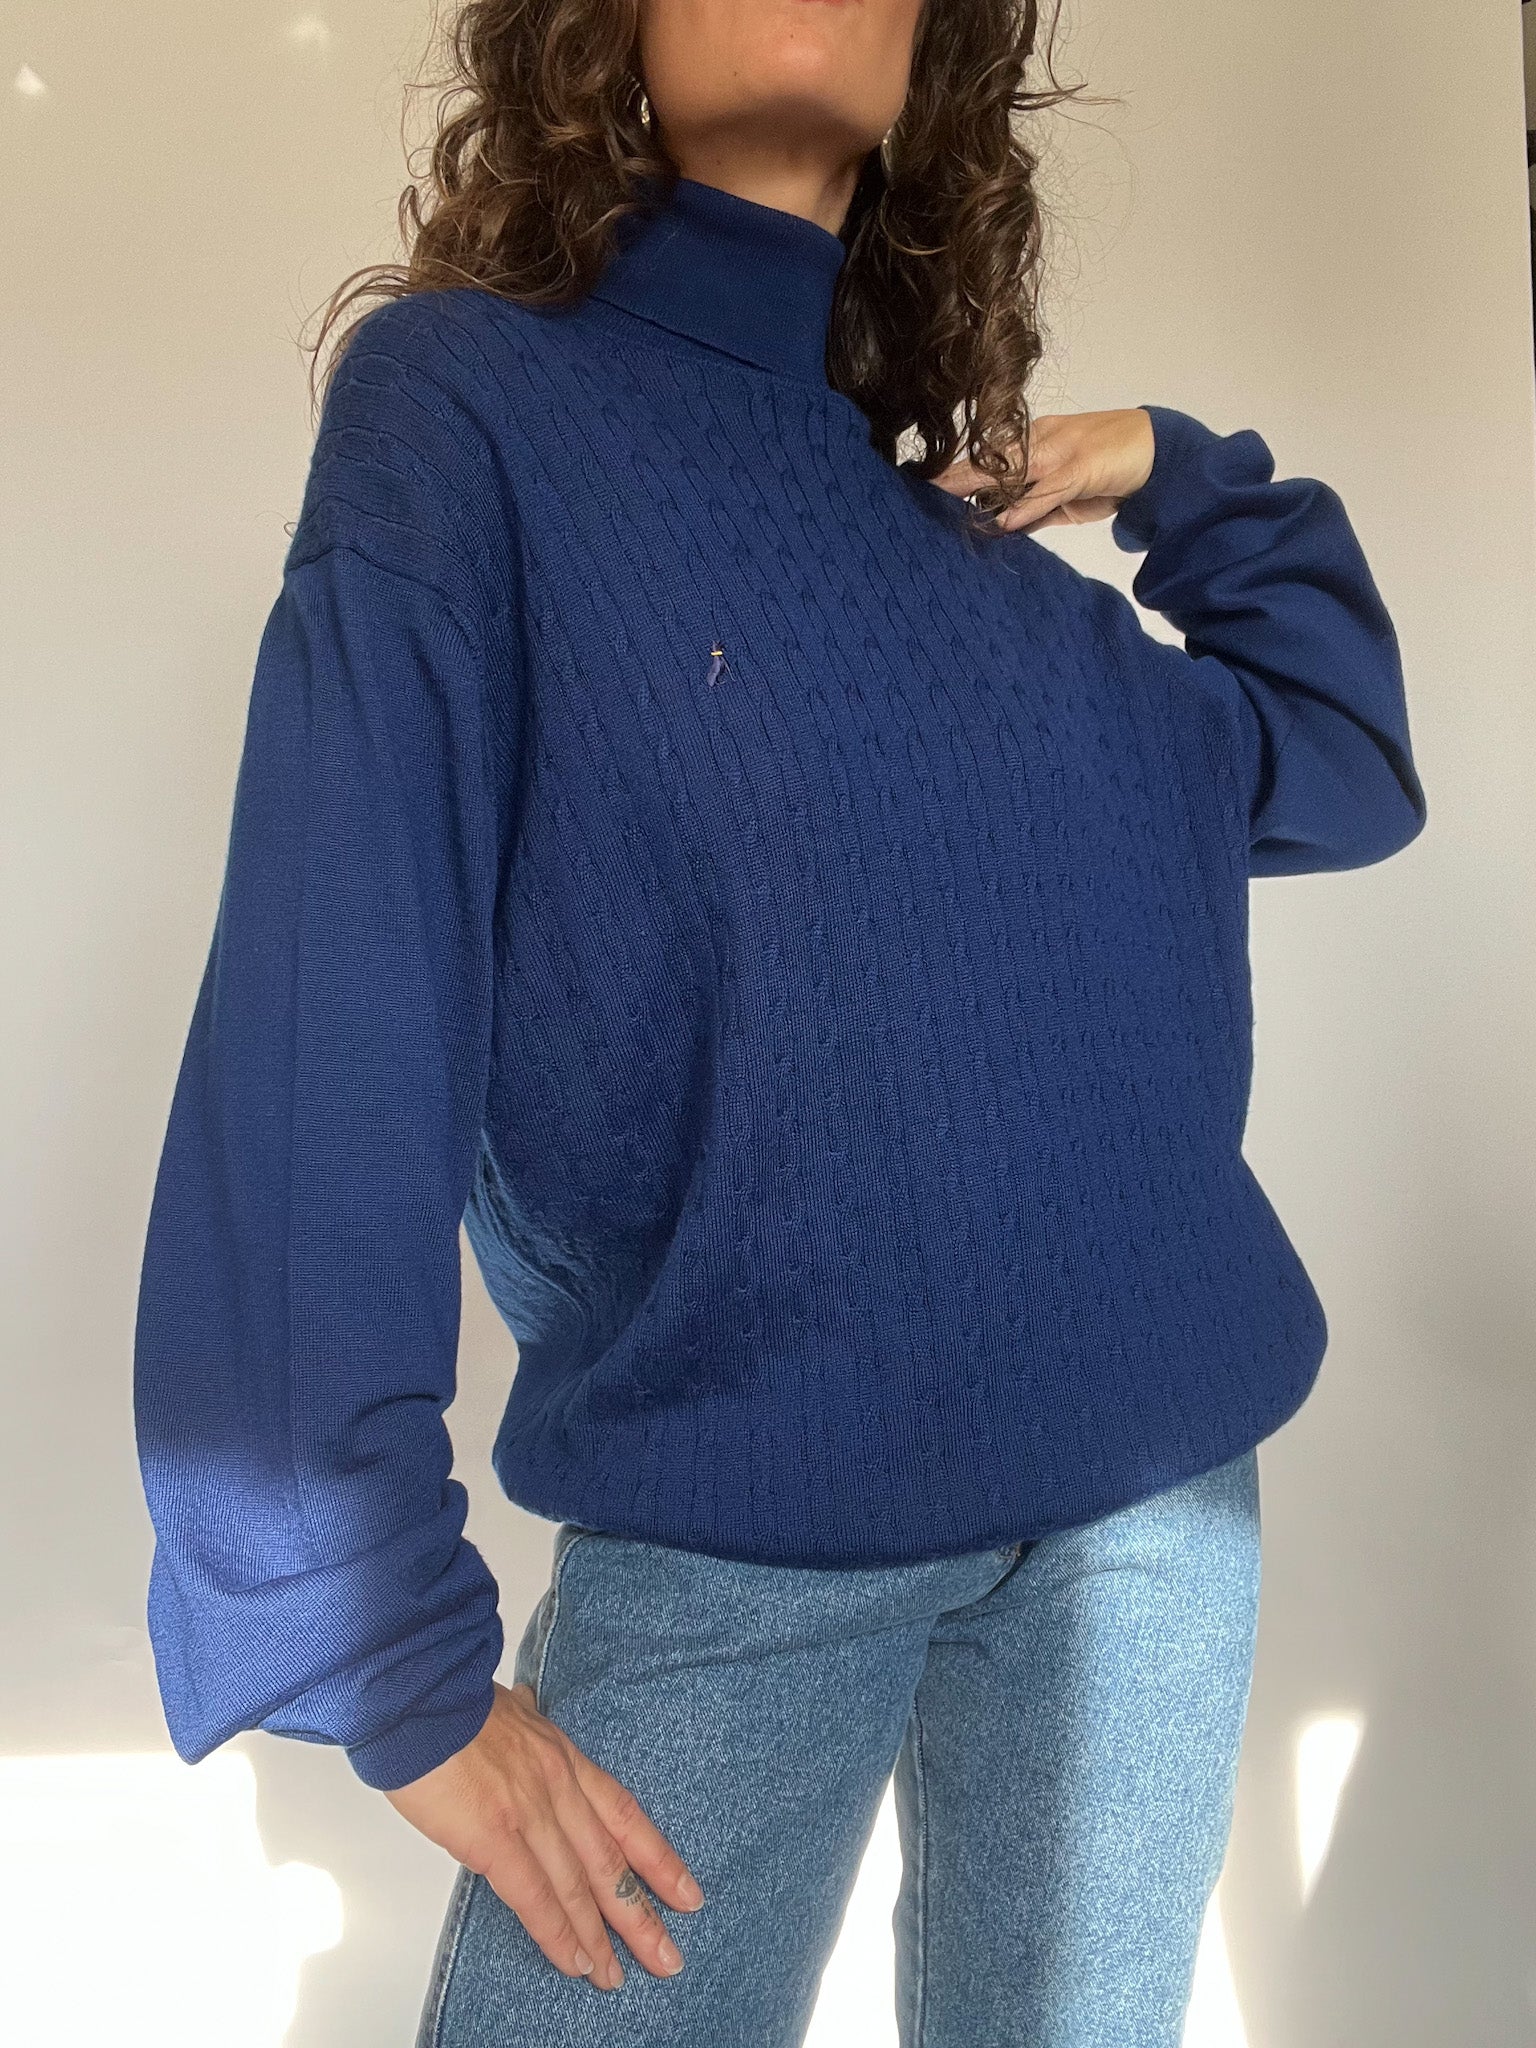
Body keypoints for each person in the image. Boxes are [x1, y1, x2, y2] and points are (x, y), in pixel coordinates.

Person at [131, 0, 1428, 2042]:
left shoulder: (975, 559)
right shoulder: (469, 409)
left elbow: (1342, 759)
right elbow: (333, 995)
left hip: (1158, 1529)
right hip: (741, 1531)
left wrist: (1170, 465)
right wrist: (350, 1615)